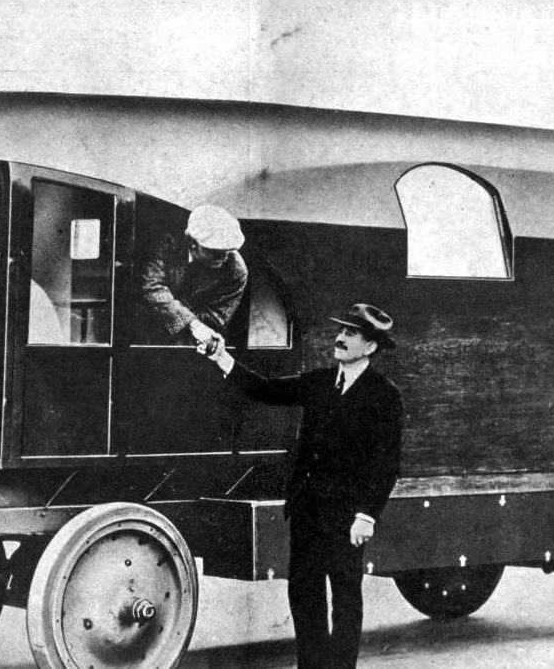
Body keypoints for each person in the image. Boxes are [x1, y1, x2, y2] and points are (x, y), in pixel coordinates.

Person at [201, 303, 404, 668]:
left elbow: (386, 465)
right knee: (304, 593)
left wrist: (366, 516)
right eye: (341, 331)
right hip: (308, 510)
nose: (340, 339)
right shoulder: (320, 382)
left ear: (371, 347)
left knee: (344, 597)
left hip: (346, 517)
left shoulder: (384, 396)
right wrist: (222, 358)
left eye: (351, 334)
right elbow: (264, 390)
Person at [138, 204, 248, 346]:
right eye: (215, 251)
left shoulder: (236, 270)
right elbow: (152, 287)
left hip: (196, 342)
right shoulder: (167, 244)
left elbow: (215, 318)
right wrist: (192, 323)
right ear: (192, 242)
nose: (223, 257)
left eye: (227, 250)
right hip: (147, 331)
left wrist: (180, 317)